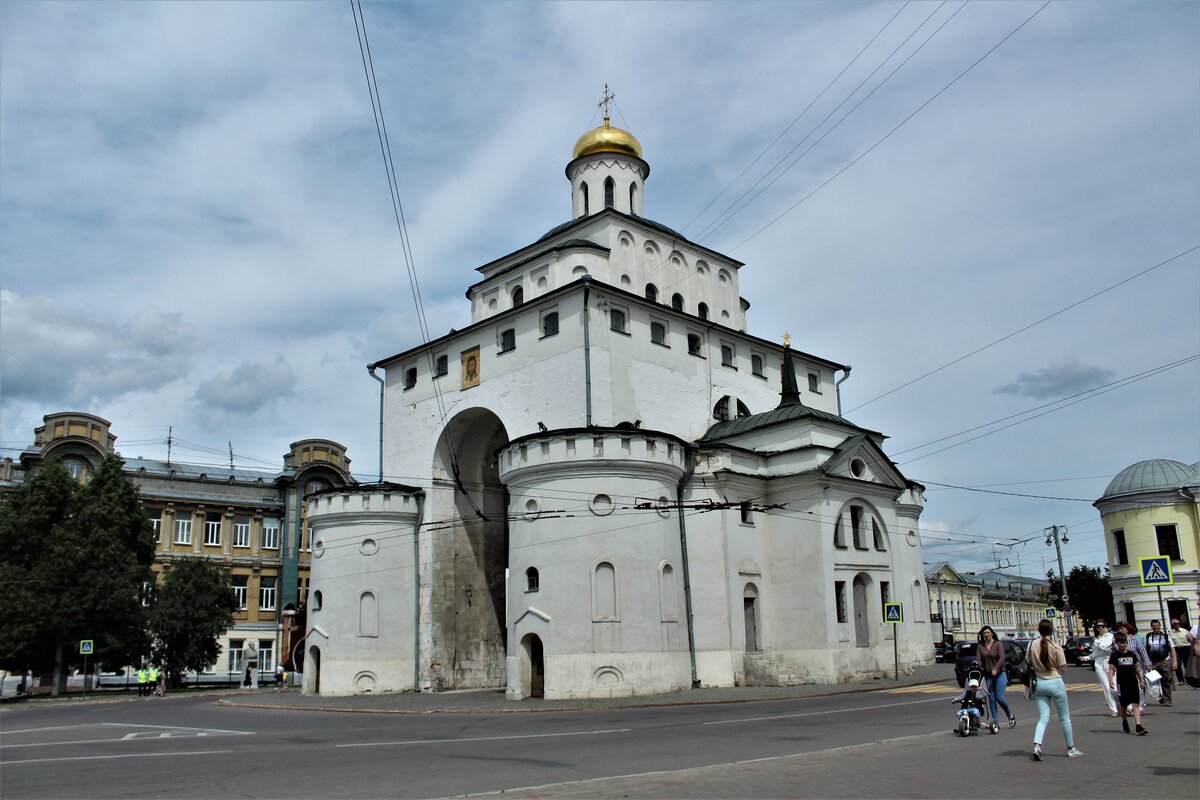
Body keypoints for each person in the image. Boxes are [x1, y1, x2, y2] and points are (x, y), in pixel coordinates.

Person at [1027, 618, 1082, 760]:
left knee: (1043, 718)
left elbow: (1028, 662)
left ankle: (1037, 746)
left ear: (1039, 630)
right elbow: (1063, 668)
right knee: (1064, 717)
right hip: (1055, 681)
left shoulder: (1031, 644)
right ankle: (1070, 749)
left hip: (1039, 683)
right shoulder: (1056, 646)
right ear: (1051, 631)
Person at [975, 625, 1015, 727]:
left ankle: (1010, 715)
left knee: (999, 698)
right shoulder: (980, 646)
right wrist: (976, 664)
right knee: (991, 699)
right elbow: (979, 659)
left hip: (1000, 675)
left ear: (992, 633)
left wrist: (995, 668)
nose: (986, 634)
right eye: (984, 633)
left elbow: (1002, 659)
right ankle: (996, 722)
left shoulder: (998, 644)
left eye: (988, 632)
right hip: (988, 676)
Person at [1108, 632, 1147, 735]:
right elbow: (1111, 668)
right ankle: (1125, 722)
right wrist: (1110, 679)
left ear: (1127, 643)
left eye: (1124, 643)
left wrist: (1141, 680)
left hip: (1133, 682)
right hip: (1122, 683)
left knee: (1136, 704)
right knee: (1124, 705)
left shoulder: (1131, 654)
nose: (1122, 645)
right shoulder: (1115, 655)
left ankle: (1138, 726)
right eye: (1120, 643)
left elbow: (1136, 668)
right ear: (1116, 644)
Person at [1116, 622, 1152, 710]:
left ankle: (1140, 707)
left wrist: (1147, 663)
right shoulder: (1117, 640)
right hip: (1124, 669)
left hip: (1137, 667)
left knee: (1139, 688)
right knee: (1126, 688)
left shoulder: (1134, 639)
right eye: (1119, 629)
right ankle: (1130, 707)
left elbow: (1143, 651)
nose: (1120, 630)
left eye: (1122, 628)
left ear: (1127, 629)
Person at [1090, 621, 1119, 716]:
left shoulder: (1110, 636)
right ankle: (1114, 709)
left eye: (1102, 626)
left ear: (1105, 627)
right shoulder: (1097, 638)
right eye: (1098, 626)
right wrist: (1086, 658)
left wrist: (1096, 641)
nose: (1100, 628)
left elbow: (1106, 648)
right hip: (1098, 662)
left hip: (1108, 661)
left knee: (1113, 687)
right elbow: (1095, 654)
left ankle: (1125, 705)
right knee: (1106, 687)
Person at [1144, 620, 1175, 706]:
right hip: (1153, 662)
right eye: (1154, 625)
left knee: (1167, 680)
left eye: (1157, 625)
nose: (1155, 627)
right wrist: (1147, 663)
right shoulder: (1148, 636)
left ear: (1160, 626)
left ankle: (1167, 700)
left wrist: (1174, 661)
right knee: (1155, 681)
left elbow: (1172, 649)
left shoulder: (1166, 636)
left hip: (1165, 661)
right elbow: (1145, 650)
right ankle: (1161, 696)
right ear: (1151, 627)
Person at [1168, 618, 1189, 685]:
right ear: (1172, 625)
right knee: (1177, 664)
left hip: (1185, 648)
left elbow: (1189, 639)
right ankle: (1181, 680)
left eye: (1178, 623)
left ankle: (1188, 679)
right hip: (1176, 650)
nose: (1177, 625)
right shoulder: (1170, 633)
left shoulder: (1184, 631)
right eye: (1175, 624)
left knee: (1187, 664)